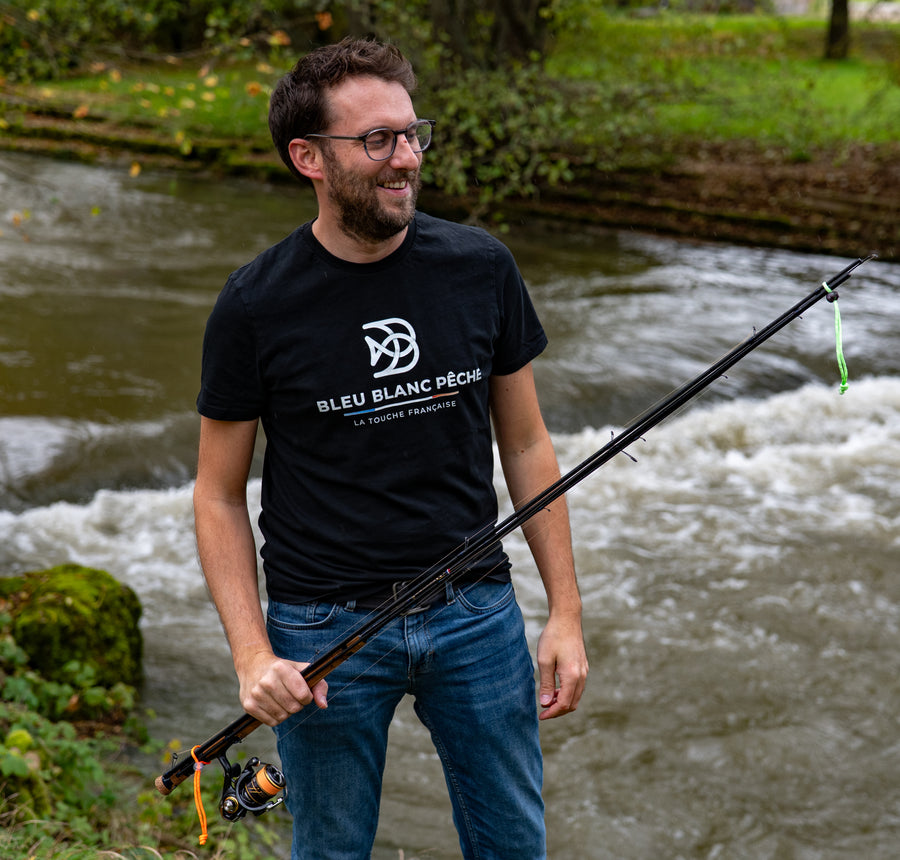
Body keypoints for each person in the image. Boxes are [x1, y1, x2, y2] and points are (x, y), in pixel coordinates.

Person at [193, 36, 588, 860]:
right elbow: (218, 493)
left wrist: (565, 613)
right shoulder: (254, 305)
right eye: (378, 139)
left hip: (476, 611)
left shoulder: (481, 266)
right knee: (331, 851)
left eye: (412, 133)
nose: (406, 157)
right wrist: (252, 655)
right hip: (322, 633)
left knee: (514, 846)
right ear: (309, 157)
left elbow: (525, 442)